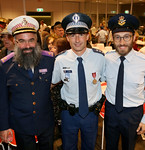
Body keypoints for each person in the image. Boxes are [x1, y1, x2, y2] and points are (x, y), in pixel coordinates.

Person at [52, 12, 105, 150]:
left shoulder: (100, 58)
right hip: (68, 114)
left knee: (89, 146)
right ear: (67, 37)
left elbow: (107, 80)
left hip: (91, 114)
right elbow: (53, 83)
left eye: (81, 34)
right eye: (72, 35)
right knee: (68, 147)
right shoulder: (60, 59)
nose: (77, 39)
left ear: (88, 36)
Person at [0, 15, 55, 150]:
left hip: (46, 122)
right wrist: (4, 127)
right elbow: (2, 100)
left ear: (37, 39)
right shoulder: (5, 66)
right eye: (22, 41)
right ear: (15, 42)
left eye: (31, 40)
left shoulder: (50, 60)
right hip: (21, 125)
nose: (28, 46)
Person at [104, 13, 145, 150]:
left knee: (129, 146)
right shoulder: (107, 59)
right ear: (112, 38)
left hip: (133, 114)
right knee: (110, 146)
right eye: (117, 37)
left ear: (134, 37)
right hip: (111, 110)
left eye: (126, 37)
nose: (122, 42)